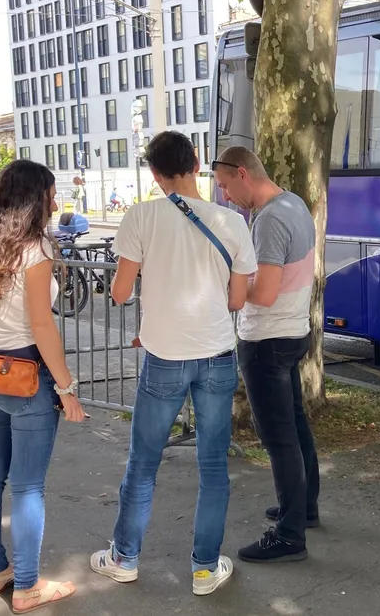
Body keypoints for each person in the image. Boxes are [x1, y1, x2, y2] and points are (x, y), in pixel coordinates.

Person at [88, 131, 258, 595]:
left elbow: (120, 293)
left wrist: (154, 273)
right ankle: (205, 569)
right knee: (213, 466)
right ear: (197, 162)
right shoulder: (232, 222)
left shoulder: (141, 217)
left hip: (164, 358)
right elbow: (238, 299)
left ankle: (124, 558)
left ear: (154, 173)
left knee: (143, 464)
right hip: (218, 356)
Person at [0, 159, 86, 614]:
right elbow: (42, 326)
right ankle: (26, 586)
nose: (53, 201)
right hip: (27, 375)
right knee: (27, 488)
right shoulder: (36, 249)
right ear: (35, 199)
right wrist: (66, 388)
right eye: (49, 193)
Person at [213, 146, 320, 564]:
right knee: (295, 425)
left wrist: (228, 289)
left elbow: (266, 292)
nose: (224, 197)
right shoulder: (292, 202)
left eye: (224, 186)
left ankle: (290, 535)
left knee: (279, 439)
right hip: (294, 334)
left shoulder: (270, 219)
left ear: (243, 173)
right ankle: (304, 507)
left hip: (267, 342)